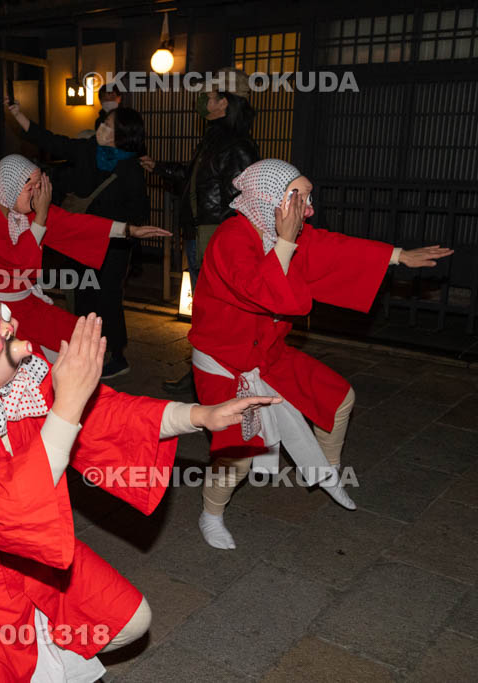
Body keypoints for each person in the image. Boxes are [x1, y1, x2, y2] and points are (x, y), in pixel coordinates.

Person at [0, 271, 277, 680]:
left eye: (2, 310)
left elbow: (104, 417)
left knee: (131, 620)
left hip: (31, 553)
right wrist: (67, 406)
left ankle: (50, 659)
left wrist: (200, 415)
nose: (9, 323)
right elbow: (3, 506)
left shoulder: (20, 381)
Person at [190, 159, 453, 550]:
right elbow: (261, 290)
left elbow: (335, 248)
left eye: (309, 197)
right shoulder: (232, 237)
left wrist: (399, 256)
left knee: (338, 398)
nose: (308, 208)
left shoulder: (287, 235)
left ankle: (328, 473)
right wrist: (285, 241)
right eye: (300, 198)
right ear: (270, 199)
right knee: (237, 455)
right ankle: (210, 513)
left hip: (268, 353)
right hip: (224, 363)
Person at [0, 153, 168, 365]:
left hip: (27, 303)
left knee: (78, 342)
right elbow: (20, 262)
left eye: (39, 186)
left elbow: (73, 225)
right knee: (35, 365)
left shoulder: (22, 212)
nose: (38, 194)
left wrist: (128, 230)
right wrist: (41, 216)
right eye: (30, 187)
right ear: (10, 186)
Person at [6, 98, 156, 378]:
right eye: (104, 122)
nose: (101, 127)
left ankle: (117, 355)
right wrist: (19, 114)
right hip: (79, 239)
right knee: (82, 296)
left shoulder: (130, 168)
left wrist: (115, 224)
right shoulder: (88, 150)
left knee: (107, 298)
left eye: (108, 126)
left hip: (112, 245)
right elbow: (51, 141)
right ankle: (87, 350)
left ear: (122, 135)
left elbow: (139, 211)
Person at [140, 67, 259, 394]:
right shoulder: (215, 138)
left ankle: (218, 374)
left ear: (224, 102)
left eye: (208, 95)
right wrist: (159, 167)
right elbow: (196, 180)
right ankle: (202, 372)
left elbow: (241, 200)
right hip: (199, 232)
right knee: (205, 309)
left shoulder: (236, 144)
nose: (201, 101)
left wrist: (229, 244)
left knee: (218, 310)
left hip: (215, 235)